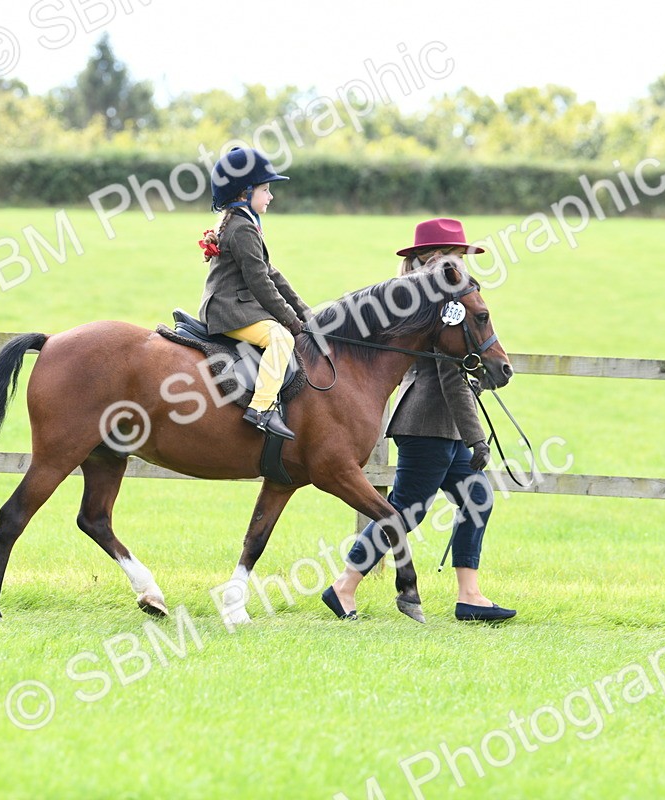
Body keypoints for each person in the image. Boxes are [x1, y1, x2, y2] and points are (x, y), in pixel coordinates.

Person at [321, 218, 516, 622]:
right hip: (427, 424)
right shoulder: (439, 306)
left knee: (477, 498)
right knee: (405, 510)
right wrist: (477, 438)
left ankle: (470, 595)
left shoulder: (433, 299)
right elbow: (448, 375)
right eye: (453, 255)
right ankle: (344, 586)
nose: (459, 261)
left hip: (444, 427)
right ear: (431, 258)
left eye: (461, 255)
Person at [198, 147, 311, 441]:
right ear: (244, 193)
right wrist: (291, 321)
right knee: (280, 337)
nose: (270, 196)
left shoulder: (242, 223)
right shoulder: (242, 229)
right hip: (228, 309)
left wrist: (304, 310)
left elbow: (271, 272)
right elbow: (260, 282)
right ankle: (261, 408)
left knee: (283, 330)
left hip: (234, 305)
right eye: (265, 189)